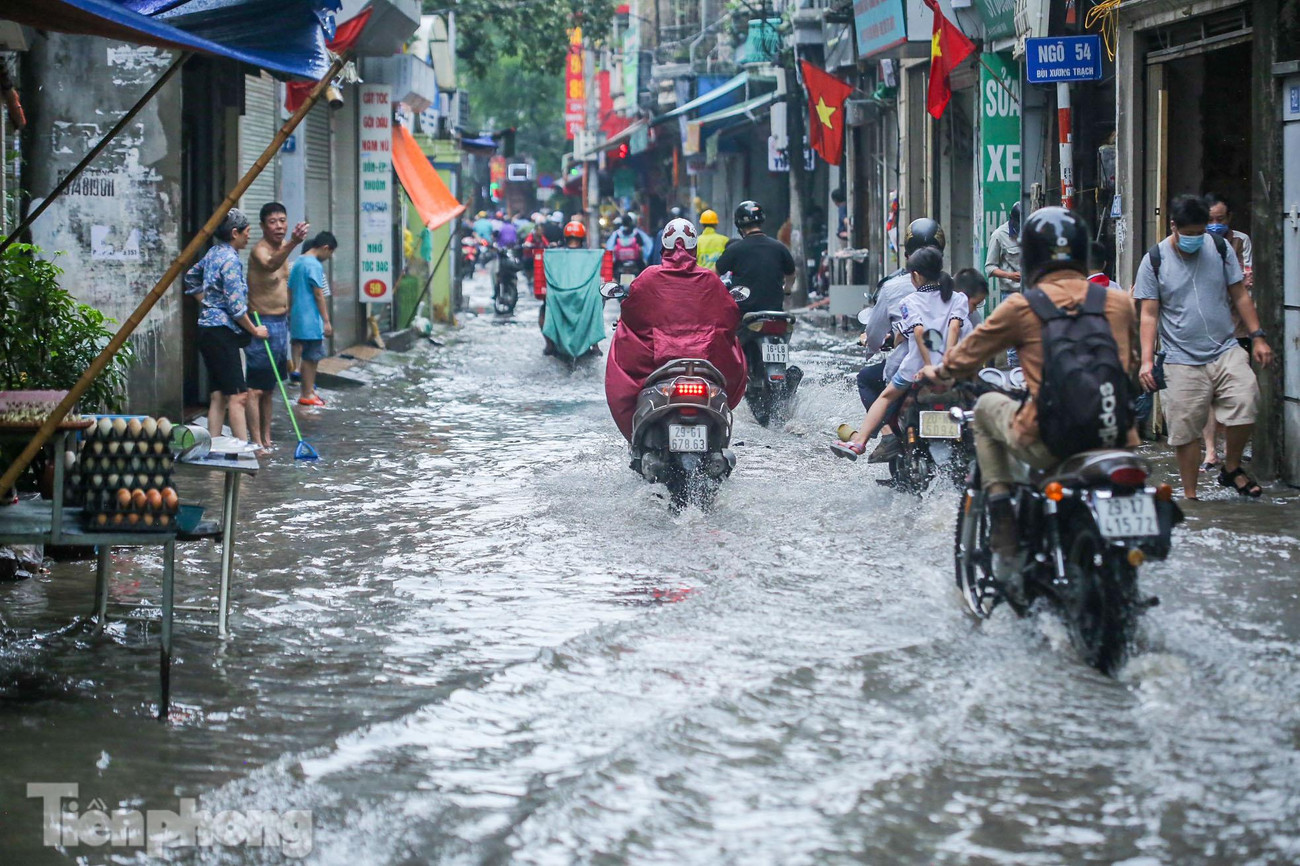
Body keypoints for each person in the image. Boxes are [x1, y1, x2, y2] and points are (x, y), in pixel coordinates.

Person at [916, 207, 1139, 586]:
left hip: (1052, 440)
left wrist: (935, 372)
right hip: (1117, 439)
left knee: (985, 408)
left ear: (1031, 256)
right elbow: (1130, 368)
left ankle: (1002, 512)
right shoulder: (1118, 303)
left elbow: (962, 360)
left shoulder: (1021, 307)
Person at [1133, 194, 1273, 499]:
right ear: (1173, 226)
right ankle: (1191, 496)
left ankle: (1231, 468)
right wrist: (1146, 361)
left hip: (1224, 347)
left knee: (1246, 399)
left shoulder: (1220, 249)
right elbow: (1149, 314)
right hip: (1179, 357)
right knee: (1185, 430)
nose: (1198, 239)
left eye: (1201, 232)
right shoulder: (1154, 261)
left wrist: (1258, 335)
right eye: (1190, 233)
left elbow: (1239, 295)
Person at [605, 218, 748, 441]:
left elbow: (631, 315)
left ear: (664, 247)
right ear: (694, 248)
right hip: (705, 363)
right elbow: (729, 319)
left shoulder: (648, 278)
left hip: (658, 365)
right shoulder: (710, 280)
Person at [832, 247, 968, 459]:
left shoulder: (909, 302)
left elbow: (917, 332)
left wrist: (929, 365)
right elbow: (954, 328)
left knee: (885, 397)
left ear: (915, 275)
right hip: (952, 370)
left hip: (915, 369)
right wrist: (945, 363)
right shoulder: (958, 298)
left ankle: (859, 442)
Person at [853, 218, 946, 459]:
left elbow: (896, 334)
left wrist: (871, 347)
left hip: (911, 366)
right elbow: (969, 328)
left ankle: (879, 437)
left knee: (872, 382)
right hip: (950, 366)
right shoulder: (956, 292)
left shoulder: (897, 292)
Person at [183, 208, 269, 444]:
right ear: (234, 233)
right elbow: (236, 308)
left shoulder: (213, 253)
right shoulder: (230, 260)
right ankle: (241, 451)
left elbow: (190, 277)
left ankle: (214, 448)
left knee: (219, 395)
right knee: (238, 396)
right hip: (222, 334)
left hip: (208, 332)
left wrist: (208, 304)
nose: (248, 237)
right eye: (247, 232)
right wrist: (255, 330)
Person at [245, 202, 310, 449]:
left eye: (282, 220)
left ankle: (267, 439)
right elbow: (270, 264)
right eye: (273, 222)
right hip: (261, 323)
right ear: (263, 226)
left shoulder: (284, 249)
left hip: (280, 323)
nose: (279, 226)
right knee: (255, 389)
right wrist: (294, 242)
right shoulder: (259, 251)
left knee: (270, 388)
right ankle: (256, 440)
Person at [1199, 192, 1254, 470]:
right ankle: (1211, 451)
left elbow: (1248, 280)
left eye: (1220, 219)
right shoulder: (1196, 243)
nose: (1215, 224)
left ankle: (1231, 452)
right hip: (1206, 330)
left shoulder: (1241, 241)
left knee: (1237, 392)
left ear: (1229, 218)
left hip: (1238, 330)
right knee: (1208, 393)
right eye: (1210, 219)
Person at [714, 200, 795, 315]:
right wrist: (787, 290)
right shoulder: (779, 247)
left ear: (739, 225)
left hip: (744, 314)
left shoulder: (734, 249)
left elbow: (713, 275)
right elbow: (791, 275)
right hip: (775, 312)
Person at [288, 231, 337, 407]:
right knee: (311, 358)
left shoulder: (298, 262)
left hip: (297, 317)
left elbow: (290, 290)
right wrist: (326, 320)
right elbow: (318, 293)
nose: (329, 257)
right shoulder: (314, 265)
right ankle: (307, 394)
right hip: (311, 320)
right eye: (330, 253)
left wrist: (289, 311)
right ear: (325, 248)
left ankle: (307, 391)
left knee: (306, 356)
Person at [985, 201, 1022, 300]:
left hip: (1033, 291)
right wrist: (1010, 275)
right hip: (1011, 293)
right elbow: (989, 267)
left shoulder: (1034, 230)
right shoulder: (999, 235)